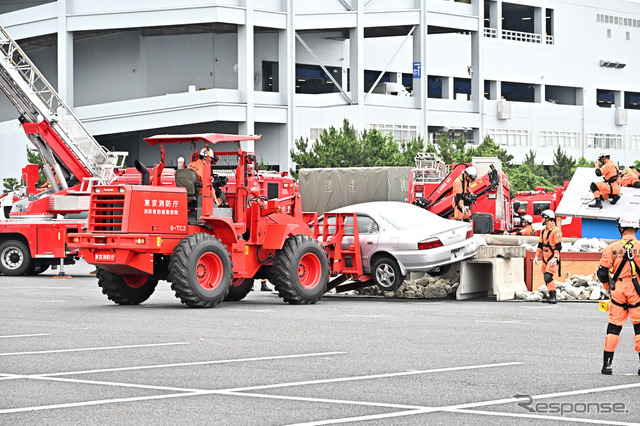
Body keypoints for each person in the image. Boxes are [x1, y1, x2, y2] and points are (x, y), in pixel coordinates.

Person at [596, 212, 640, 375]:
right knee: (639, 329)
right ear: (636, 228)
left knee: (614, 327)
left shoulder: (612, 248)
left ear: (621, 228)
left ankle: (607, 365)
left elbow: (602, 272)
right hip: (638, 292)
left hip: (618, 291)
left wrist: (607, 287)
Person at [534, 209, 562, 304]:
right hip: (545, 256)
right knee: (545, 276)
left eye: (543, 218)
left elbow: (558, 246)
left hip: (552, 256)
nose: (541, 219)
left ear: (548, 219)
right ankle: (551, 295)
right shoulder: (543, 231)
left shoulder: (556, 231)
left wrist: (555, 258)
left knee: (548, 276)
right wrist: (536, 256)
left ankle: (553, 296)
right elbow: (540, 245)